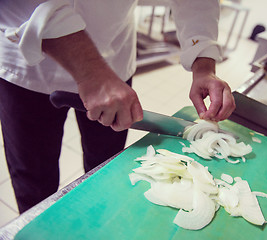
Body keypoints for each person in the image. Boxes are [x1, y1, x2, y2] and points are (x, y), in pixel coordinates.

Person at [0, 0, 236, 213]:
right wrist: (91, 70)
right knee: (35, 184)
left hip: (114, 59)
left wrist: (204, 64)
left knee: (105, 170)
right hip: (26, 67)